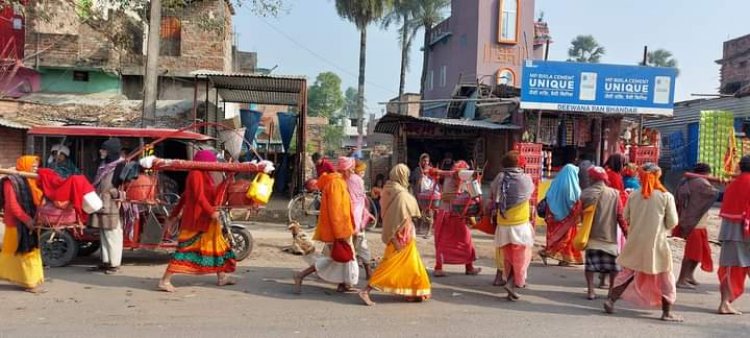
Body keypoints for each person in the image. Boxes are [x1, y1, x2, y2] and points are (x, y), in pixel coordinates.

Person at [605, 163, 681, 322]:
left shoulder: (634, 195)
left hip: (635, 242)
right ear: (657, 176)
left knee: (626, 274)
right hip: (657, 244)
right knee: (665, 278)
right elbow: (672, 222)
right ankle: (666, 312)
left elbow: (626, 217)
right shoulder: (666, 196)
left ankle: (610, 300)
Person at [157, 150, 237, 292]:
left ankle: (222, 277)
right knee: (185, 250)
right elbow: (199, 197)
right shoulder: (196, 174)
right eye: (212, 164)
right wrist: (211, 212)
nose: (214, 167)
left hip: (207, 219)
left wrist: (229, 177)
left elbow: (187, 196)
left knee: (217, 246)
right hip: (197, 220)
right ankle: (165, 280)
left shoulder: (206, 175)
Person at [358, 164, 431, 306]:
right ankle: (366, 290)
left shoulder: (388, 189)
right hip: (402, 236)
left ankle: (413, 291)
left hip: (396, 234)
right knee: (390, 265)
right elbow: (402, 215)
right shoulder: (401, 193)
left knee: (411, 265)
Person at [294, 157, 358, 294]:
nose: (353, 172)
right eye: (351, 169)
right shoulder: (336, 184)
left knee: (341, 258)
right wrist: (340, 233)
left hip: (339, 228)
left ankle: (344, 284)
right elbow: (336, 211)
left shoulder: (337, 182)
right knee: (337, 258)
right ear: (344, 170)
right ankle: (301, 275)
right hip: (339, 229)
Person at [490, 151, 535, 300]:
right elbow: (530, 194)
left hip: (503, 223)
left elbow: (493, 194)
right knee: (521, 257)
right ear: (519, 163)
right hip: (520, 224)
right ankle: (511, 283)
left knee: (508, 257)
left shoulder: (499, 177)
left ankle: (511, 282)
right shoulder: (525, 179)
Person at [580, 166, 628, 300]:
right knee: (613, 267)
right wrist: (626, 233)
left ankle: (591, 291)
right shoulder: (614, 194)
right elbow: (620, 216)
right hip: (609, 237)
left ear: (592, 178)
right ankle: (611, 290)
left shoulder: (586, 193)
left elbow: (579, 214)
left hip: (592, 235)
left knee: (590, 266)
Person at [0, 156, 45, 293]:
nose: (35, 169)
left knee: (28, 250)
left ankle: (30, 280)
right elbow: (13, 206)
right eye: (33, 166)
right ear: (25, 166)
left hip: (29, 221)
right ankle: (29, 283)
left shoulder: (29, 181)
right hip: (15, 224)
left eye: (37, 166)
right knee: (24, 251)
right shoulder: (10, 182)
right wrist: (27, 220)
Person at [433, 160, 481, 277]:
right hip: (455, 215)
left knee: (443, 242)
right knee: (465, 241)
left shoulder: (450, 176)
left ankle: (439, 267)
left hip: (445, 213)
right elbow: (475, 192)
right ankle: (468, 267)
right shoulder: (458, 176)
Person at [674, 163, 718, 290]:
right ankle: (682, 279)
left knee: (699, 251)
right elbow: (714, 194)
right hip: (695, 222)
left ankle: (689, 276)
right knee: (691, 252)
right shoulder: (701, 182)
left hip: (692, 219)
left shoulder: (686, 180)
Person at [716, 155, 750, 315]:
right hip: (742, 229)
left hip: (731, 231)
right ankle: (724, 304)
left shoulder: (733, 184)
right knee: (732, 268)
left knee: (729, 267)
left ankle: (724, 303)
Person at [89, 138, 126, 274]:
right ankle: (106, 261)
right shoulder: (103, 164)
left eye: (103, 149)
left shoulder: (120, 165)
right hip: (101, 201)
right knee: (103, 233)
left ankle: (115, 264)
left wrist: (113, 192)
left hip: (112, 204)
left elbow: (124, 185)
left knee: (113, 233)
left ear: (110, 151)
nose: (101, 151)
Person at [540, 164, 583, 266]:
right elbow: (573, 200)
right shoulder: (572, 186)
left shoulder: (555, 182)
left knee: (556, 237)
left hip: (553, 216)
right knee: (566, 238)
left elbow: (548, 196)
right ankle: (549, 253)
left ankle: (562, 258)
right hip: (567, 217)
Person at [348, 159, 373, 279]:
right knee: (362, 245)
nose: (363, 173)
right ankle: (368, 272)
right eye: (362, 171)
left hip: (347, 218)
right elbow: (361, 200)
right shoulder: (358, 181)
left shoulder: (346, 179)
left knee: (346, 247)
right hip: (357, 219)